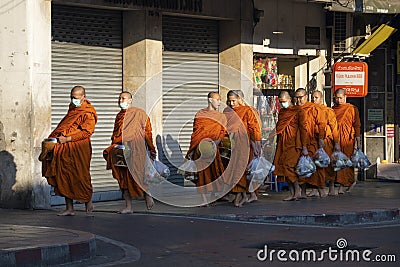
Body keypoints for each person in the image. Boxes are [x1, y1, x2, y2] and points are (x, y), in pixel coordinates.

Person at [41, 86, 97, 216]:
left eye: (76, 98)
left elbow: (87, 132)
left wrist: (68, 138)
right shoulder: (72, 108)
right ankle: (69, 208)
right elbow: (65, 125)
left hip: (79, 148)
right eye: (71, 97)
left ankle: (88, 203)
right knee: (64, 175)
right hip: (65, 148)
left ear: (84, 97)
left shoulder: (88, 112)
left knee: (81, 175)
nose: (73, 100)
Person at [103, 91, 157, 213]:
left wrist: (151, 149)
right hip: (121, 150)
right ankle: (128, 206)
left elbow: (147, 132)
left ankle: (147, 195)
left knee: (138, 175)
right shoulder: (119, 116)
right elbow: (115, 133)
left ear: (130, 100)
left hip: (136, 150)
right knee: (123, 179)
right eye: (119, 98)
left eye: (124, 98)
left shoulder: (139, 113)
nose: (121, 101)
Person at [186, 92, 226, 206]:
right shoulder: (200, 114)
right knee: (202, 174)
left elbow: (222, 132)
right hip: (200, 148)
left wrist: (215, 143)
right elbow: (196, 132)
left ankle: (213, 196)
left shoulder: (221, 116)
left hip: (213, 148)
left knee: (215, 172)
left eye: (220, 100)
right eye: (217, 99)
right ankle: (204, 200)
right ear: (210, 100)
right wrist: (192, 149)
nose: (219, 102)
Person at [223, 90, 262, 207]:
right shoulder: (227, 112)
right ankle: (242, 195)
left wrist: (256, 145)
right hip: (231, 145)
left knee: (242, 170)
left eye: (233, 101)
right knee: (233, 170)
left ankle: (241, 195)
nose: (231, 103)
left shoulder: (246, 111)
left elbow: (253, 129)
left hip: (244, 145)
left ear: (239, 99)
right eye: (229, 101)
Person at [271, 91, 308, 201]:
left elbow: (303, 129)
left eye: (284, 101)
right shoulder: (282, 112)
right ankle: (292, 193)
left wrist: (304, 146)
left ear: (290, 99)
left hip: (294, 144)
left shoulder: (298, 111)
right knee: (283, 168)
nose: (283, 104)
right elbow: (279, 127)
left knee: (290, 167)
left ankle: (297, 191)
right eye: (281, 102)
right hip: (283, 143)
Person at [294, 88, 327, 198]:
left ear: (306, 97)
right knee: (302, 167)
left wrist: (321, 139)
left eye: (301, 97)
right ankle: (302, 192)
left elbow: (321, 124)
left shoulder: (314, 109)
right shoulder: (294, 110)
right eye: (297, 98)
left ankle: (320, 189)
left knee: (315, 167)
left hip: (312, 141)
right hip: (298, 142)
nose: (298, 100)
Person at [311, 91, 341, 196]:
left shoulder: (328, 111)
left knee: (328, 166)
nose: (314, 100)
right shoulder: (310, 110)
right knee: (316, 165)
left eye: (316, 97)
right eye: (312, 97)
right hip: (314, 141)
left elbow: (334, 127)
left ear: (321, 99)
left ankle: (331, 187)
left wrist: (336, 142)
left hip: (326, 141)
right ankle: (317, 188)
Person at [332, 88, 361, 194]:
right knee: (337, 162)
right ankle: (342, 183)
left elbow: (357, 125)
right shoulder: (332, 109)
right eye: (337, 98)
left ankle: (343, 184)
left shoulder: (352, 109)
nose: (339, 100)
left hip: (347, 139)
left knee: (345, 161)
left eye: (341, 98)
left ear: (345, 97)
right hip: (335, 139)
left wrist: (358, 141)